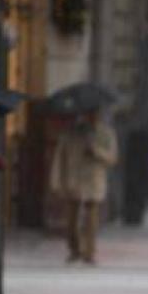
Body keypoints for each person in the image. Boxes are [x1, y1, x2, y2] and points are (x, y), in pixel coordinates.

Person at [49, 108, 118, 265]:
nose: (92, 116)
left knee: (91, 219)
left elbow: (113, 158)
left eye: (94, 114)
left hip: (94, 180)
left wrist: (96, 151)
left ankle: (89, 252)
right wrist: (56, 180)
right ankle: (74, 249)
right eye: (89, 114)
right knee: (72, 220)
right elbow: (60, 156)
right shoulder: (71, 133)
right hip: (74, 180)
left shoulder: (107, 133)